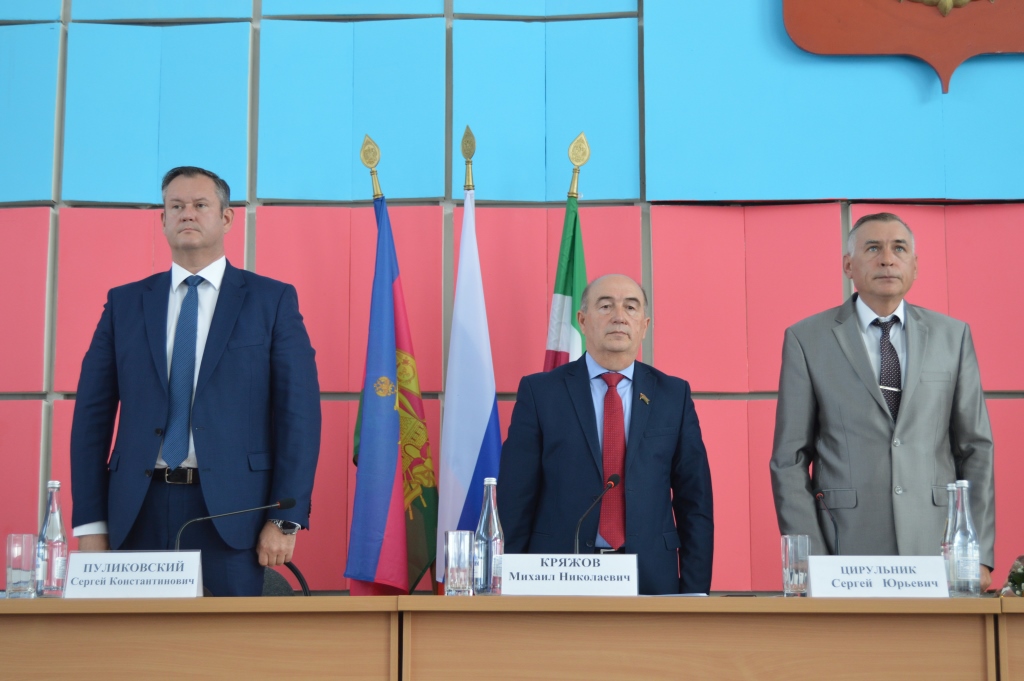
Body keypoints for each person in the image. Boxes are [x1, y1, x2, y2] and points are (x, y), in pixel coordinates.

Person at [70, 166, 321, 596]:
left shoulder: (272, 300)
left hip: (234, 514)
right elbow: (91, 418)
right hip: (136, 510)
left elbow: (299, 415)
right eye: (176, 206)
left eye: (200, 204)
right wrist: (91, 524)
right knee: (136, 638)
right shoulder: (124, 304)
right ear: (163, 220)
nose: (187, 213)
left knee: (226, 639)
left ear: (226, 218)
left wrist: (284, 520)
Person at [771, 212, 995, 589]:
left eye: (899, 248)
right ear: (848, 265)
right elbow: (788, 459)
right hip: (844, 548)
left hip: (936, 545)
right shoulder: (807, 339)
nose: (887, 259)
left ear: (915, 266)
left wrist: (977, 554)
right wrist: (810, 561)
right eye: (873, 248)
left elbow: (976, 449)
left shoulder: (952, 337)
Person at [498, 274, 714, 595]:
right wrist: (508, 587)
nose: (619, 316)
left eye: (631, 307)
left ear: (644, 325)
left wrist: (695, 594)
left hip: (651, 578)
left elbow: (695, 502)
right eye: (605, 306)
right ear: (582, 321)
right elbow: (515, 497)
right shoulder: (541, 392)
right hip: (558, 576)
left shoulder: (673, 395)